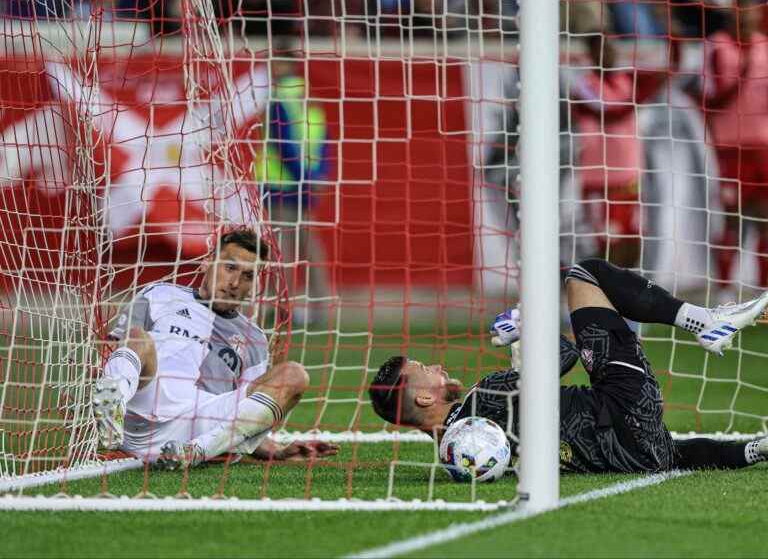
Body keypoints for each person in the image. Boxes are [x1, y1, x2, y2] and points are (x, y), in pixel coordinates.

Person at [369, 258, 768, 473]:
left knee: (670, 453)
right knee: (584, 275)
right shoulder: (482, 402)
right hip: (621, 404)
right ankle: (707, 323)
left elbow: (660, 455)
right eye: (427, 368)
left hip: (630, 452)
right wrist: (528, 325)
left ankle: (754, 450)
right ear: (423, 397)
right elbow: (564, 356)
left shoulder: (457, 453)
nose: (438, 365)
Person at [91, 228, 339, 468]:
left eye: (248, 276)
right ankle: (113, 414)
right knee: (136, 337)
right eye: (229, 268)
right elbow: (111, 351)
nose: (234, 282)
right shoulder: (159, 295)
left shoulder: (255, 339)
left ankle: (197, 451)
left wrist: (278, 450)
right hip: (140, 416)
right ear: (208, 264)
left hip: (200, 426)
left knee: (294, 375)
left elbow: (248, 417)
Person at [570, 33, 675, 268]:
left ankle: (624, 299)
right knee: (608, 243)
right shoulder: (583, 86)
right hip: (599, 179)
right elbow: (610, 112)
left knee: (633, 241)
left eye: (610, 49)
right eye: (601, 49)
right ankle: (603, 297)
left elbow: (666, 74)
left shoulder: (626, 79)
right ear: (591, 55)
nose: (607, 54)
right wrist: (639, 98)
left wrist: (674, 41)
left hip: (629, 175)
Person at [253, 48, 330, 327]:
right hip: (305, 181)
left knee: (279, 249)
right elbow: (322, 139)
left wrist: (302, 177)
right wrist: (316, 176)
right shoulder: (308, 97)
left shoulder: (277, 98)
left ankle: (283, 309)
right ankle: (321, 307)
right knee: (309, 245)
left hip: (280, 183)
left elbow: (283, 145)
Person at [701, 0, 768, 296]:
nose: (749, 16)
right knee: (734, 218)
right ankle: (725, 288)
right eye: (744, 11)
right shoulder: (717, 46)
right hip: (730, 146)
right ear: (733, 13)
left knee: (765, 216)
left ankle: (763, 290)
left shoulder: (764, 46)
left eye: (754, 11)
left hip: (762, 144)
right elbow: (710, 99)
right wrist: (740, 76)